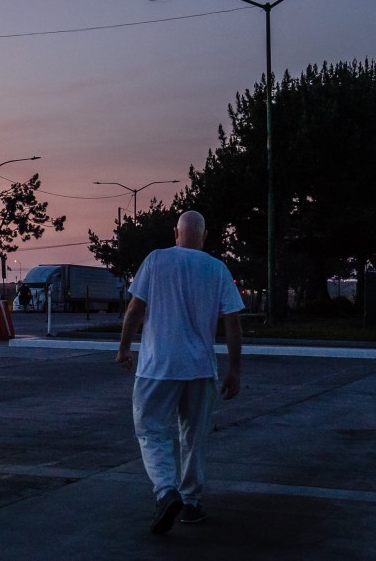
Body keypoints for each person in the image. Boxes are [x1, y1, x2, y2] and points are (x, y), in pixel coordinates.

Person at [115, 210, 243, 534]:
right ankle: (191, 502)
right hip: (200, 368)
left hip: (157, 366)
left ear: (176, 233)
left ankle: (165, 490)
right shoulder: (217, 268)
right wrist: (235, 369)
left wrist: (124, 347)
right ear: (205, 236)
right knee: (194, 436)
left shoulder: (155, 260)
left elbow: (135, 308)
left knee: (150, 430)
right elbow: (232, 321)